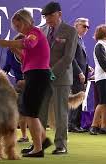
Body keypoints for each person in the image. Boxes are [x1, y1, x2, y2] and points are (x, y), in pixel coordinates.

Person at [0, 9, 52, 157]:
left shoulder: (35, 33)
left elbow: (28, 44)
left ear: (25, 21)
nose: (17, 29)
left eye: (18, 25)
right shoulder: (31, 34)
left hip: (37, 75)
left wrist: (8, 42)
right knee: (29, 111)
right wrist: (14, 49)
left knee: (30, 113)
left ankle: (38, 148)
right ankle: (41, 142)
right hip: (34, 74)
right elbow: (25, 58)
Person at [39, 1, 78, 155]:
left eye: (50, 15)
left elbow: (68, 57)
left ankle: (61, 145)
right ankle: (39, 143)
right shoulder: (41, 30)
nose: (47, 19)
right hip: (42, 78)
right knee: (40, 112)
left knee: (61, 113)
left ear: (59, 14)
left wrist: (51, 72)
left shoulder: (70, 31)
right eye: (45, 16)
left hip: (61, 78)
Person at [2, 33, 29, 143]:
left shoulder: (30, 53)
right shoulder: (10, 53)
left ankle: (39, 137)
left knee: (31, 112)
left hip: (33, 84)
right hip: (19, 86)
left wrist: (26, 81)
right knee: (20, 110)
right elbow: (6, 68)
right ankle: (24, 136)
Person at [69, 17, 92, 133]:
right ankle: (72, 124)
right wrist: (79, 72)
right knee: (76, 98)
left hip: (81, 73)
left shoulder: (80, 39)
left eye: (88, 27)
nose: (86, 29)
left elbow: (80, 58)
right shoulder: (73, 38)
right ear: (76, 25)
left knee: (79, 98)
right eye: (84, 26)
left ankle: (75, 124)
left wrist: (87, 67)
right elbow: (71, 58)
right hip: (75, 74)